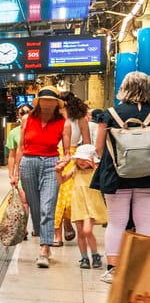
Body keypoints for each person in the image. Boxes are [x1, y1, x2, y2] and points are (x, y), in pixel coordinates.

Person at [90, 70, 150, 284]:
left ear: (124, 89)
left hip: (116, 176)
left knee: (116, 222)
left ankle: (114, 270)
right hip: (147, 177)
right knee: (146, 222)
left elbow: (98, 148)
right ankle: (142, 269)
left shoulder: (109, 114)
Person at [11, 87, 71, 268]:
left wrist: (64, 162)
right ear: (39, 102)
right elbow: (21, 147)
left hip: (51, 163)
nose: (47, 103)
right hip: (28, 162)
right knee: (35, 206)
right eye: (44, 100)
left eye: (51, 100)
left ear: (56, 104)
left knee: (47, 206)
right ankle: (41, 232)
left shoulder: (64, 123)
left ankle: (44, 248)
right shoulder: (27, 119)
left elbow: (67, 152)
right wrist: (15, 173)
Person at [57, 144, 106, 268]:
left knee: (87, 230)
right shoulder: (75, 170)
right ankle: (84, 258)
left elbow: (103, 182)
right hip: (78, 204)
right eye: (80, 159)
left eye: (86, 160)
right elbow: (62, 180)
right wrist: (58, 171)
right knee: (80, 233)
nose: (82, 162)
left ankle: (95, 254)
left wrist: (95, 167)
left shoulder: (96, 170)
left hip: (91, 204)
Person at [56, 92, 93, 242]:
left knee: (70, 197)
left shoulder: (80, 120)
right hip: (54, 157)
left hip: (73, 158)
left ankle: (67, 221)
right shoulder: (53, 119)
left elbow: (87, 143)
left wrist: (85, 162)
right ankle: (56, 234)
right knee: (55, 197)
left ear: (64, 102)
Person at [6, 104, 33, 237]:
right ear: (18, 116)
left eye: (28, 112)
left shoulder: (39, 130)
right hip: (21, 171)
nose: (25, 115)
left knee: (36, 201)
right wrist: (12, 174)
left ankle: (37, 227)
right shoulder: (14, 133)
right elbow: (11, 155)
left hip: (36, 169)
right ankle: (23, 228)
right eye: (22, 113)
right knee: (24, 201)